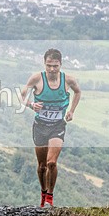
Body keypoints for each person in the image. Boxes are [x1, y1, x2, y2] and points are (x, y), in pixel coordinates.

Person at [20, 48, 81, 207]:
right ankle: (43, 191)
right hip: (40, 126)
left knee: (51, 163)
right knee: (41, 166)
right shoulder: (36, 79)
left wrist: (71, 111)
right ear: (44, 64)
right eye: (49, 66)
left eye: (55, 66)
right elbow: (22, 94)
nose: (52, 69)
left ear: (60, 64)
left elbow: (78, 92)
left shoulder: (68, 80)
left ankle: (50, 197)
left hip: (57, 126)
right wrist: (31, 105)